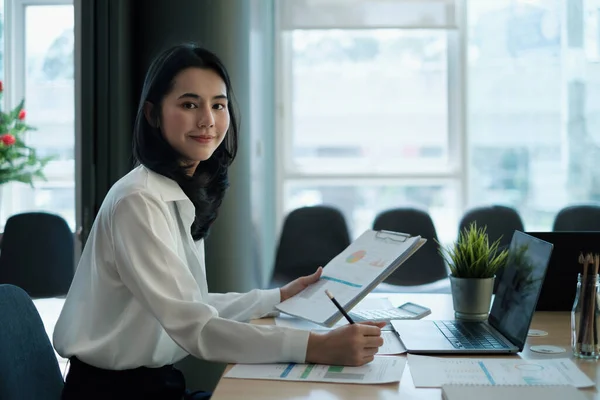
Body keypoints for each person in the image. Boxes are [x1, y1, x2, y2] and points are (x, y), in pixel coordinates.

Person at [53, 43, 385, 400]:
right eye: (189, 104)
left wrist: (277, 298)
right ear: (152, 114)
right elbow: (198, 328)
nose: (208, 120)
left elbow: (189, 302)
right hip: (113, 394)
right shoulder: (138, 201)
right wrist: (317, 346)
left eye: (218, 105)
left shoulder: (177, 189)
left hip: (151, 385)